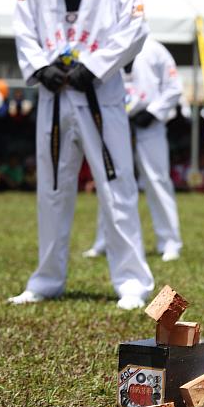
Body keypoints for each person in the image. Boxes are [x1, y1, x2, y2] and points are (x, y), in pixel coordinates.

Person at [8, 0, 154, 310]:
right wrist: (40, 68)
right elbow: (23, 26)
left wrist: (95, 65)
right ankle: (46, 279)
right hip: (54, 96)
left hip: (99, 94)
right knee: (52, 188)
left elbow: (136, 26)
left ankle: (132, 282)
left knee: (115, 184)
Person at [83, 36, 183, 262]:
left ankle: (169, 241)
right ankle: (104, 240)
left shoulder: (156, 50)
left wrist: (155, 111)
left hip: (150, 123)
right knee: (111, 180)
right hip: (116, 121)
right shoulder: (107, 47)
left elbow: (174, 87)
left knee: (157, 180)